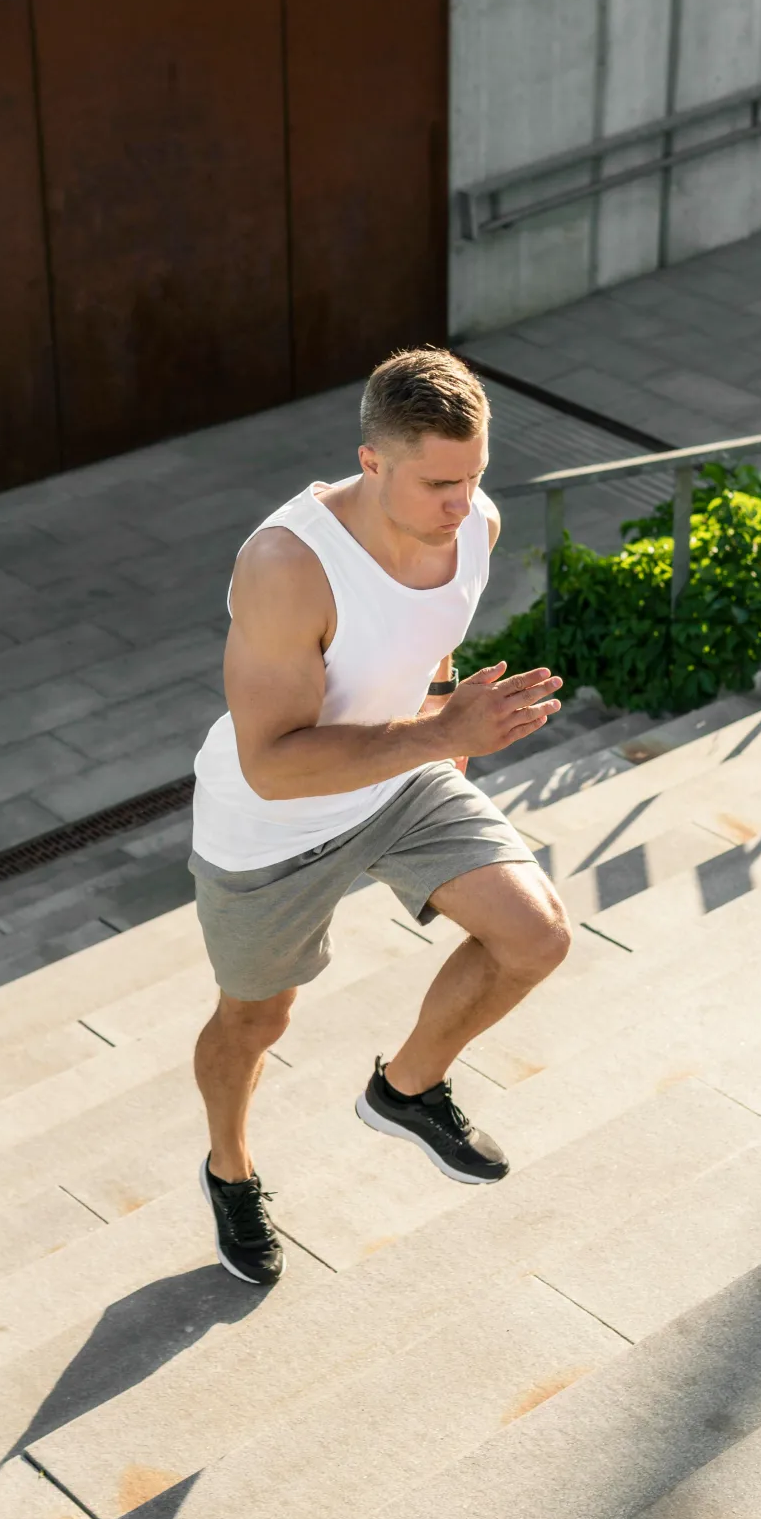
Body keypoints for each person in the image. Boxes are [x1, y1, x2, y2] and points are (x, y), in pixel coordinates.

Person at [189, 347, 572, 1284]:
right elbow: (271, 766)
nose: (463, 503)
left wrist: (452, 716)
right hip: (272, 827)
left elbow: (425, 651)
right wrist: (437, 732)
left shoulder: (473, 522)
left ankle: (406, 1089)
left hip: (402, 779)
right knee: (255, 1021)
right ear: (371, 462)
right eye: (440, 482)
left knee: (537, 939)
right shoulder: (288, 567)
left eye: (474, 476)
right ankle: (229, 1168)